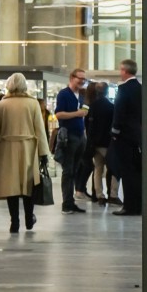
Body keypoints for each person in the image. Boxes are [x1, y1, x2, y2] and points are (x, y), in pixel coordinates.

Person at [0, 73, 49, 233]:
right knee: (29, 185)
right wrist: (44, 153)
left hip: (7, 149)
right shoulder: (33, 104)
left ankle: (14, 221)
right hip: (29, 149)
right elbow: (40, 131)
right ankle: (29, 218)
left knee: (11, 187)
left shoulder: (1, 105)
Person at [110, 59, 143, 216]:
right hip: (138, 136)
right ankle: (138, 204)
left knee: (127, 171)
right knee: (136, 171)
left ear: (125, 71)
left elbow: (120, 112)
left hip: (125, 136)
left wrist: (115, 132)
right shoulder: (140, 88)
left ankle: (129, 206)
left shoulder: (123, 89)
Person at [53, 68, 88, 214]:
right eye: (79, 78)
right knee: (68, 170)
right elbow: (59, 114)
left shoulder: (80, 95)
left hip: (80, 135)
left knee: (74, 169)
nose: (81, 81)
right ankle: (66, 203)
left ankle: (70, 201)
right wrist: (77, 114)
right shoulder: (64, 94)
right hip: (69, 136)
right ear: (72, 77)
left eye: (83, 79)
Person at [84, 81, 118, 206]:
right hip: (107, 143)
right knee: (114, 169)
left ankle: (99, 195)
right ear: (107, 91)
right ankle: (113, 195)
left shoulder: (91, 106)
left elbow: (87, 125)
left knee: (98, 169)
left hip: (94, 143)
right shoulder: (111, 107)